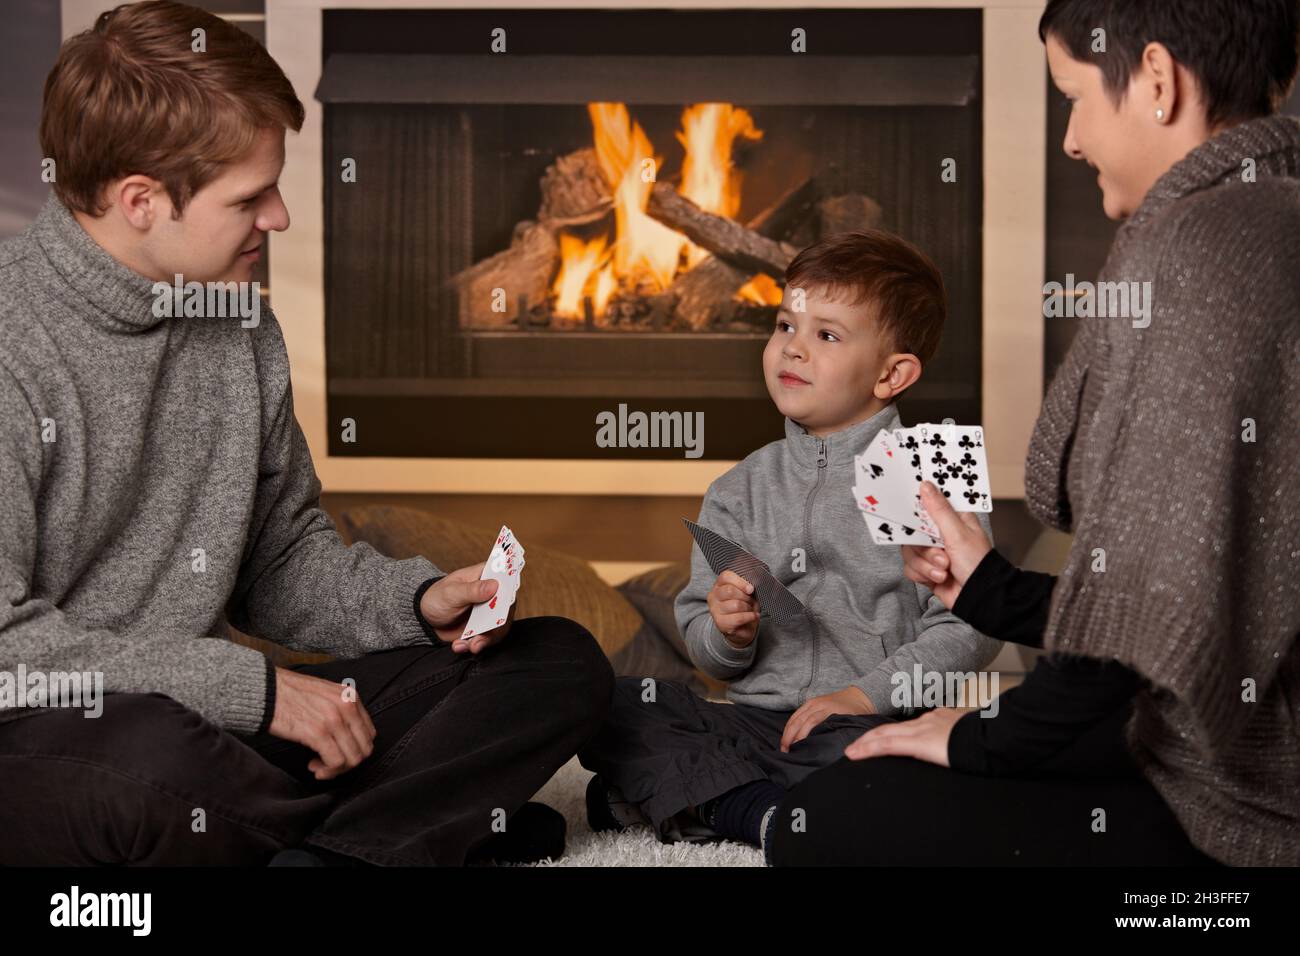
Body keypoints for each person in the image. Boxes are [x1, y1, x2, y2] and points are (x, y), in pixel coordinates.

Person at [0, 0, 613, 867]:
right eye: (251, 196)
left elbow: (281, 562)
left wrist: (412, 605)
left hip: (221, 733)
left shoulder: (239, 326)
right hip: (58, 739)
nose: (279, 217)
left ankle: (332, 847)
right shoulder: (11, 339)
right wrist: (252, 694)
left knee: (557, 664)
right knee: (152, 762)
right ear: (140, 200)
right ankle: (410, 831)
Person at [770, 0, 1300, 867]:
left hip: (1251, 795)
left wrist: (986, 739)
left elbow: (1132, 650)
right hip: (1233, 725)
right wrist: (993, 592)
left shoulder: (1205, 245)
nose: (1071, 139)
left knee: (830, 821)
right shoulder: (1273, 214)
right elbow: (1182, 613)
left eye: (1074, 95)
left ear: (1158, 82)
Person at [579, 230, 1003, 860]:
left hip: (868, 724)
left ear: (893, 373)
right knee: (615, 704)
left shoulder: (928, 474)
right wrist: (728, 633)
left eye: (826, 335)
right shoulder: (740, 486)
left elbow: (973, 628)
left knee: (919, 772)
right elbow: (705, 646)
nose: (792, 349)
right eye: (784, 325)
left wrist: (862, 696)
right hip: (753, 724)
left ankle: (707, 800)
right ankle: (763, 811)